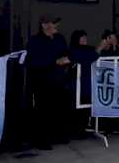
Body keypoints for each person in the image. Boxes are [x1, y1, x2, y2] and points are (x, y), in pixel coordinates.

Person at [25, 14, 70, 149]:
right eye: (53, 23)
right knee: (42, 110)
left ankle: (57, 135)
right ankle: (41, 140)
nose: (56, 26)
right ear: (44, 25)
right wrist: (54, 61)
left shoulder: (60, 39)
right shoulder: (35, 41)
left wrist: (66, 60)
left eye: (56, 23)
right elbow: (32, 62)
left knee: (58, 108)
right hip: (42, 81)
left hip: (59, 79)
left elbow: (65, 53)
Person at [68, 30, 111, 137]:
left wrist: (105, 47)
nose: (84, 40)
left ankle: (84, 127)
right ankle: (76, 130)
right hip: (77, 84)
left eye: (85, 37)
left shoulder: (89, 48)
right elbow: (89, 55)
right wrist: (98, 49)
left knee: (86, 106)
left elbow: (97, 53)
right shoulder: (73, 50)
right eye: (82, 38)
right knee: (77, 107)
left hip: (88, 83)